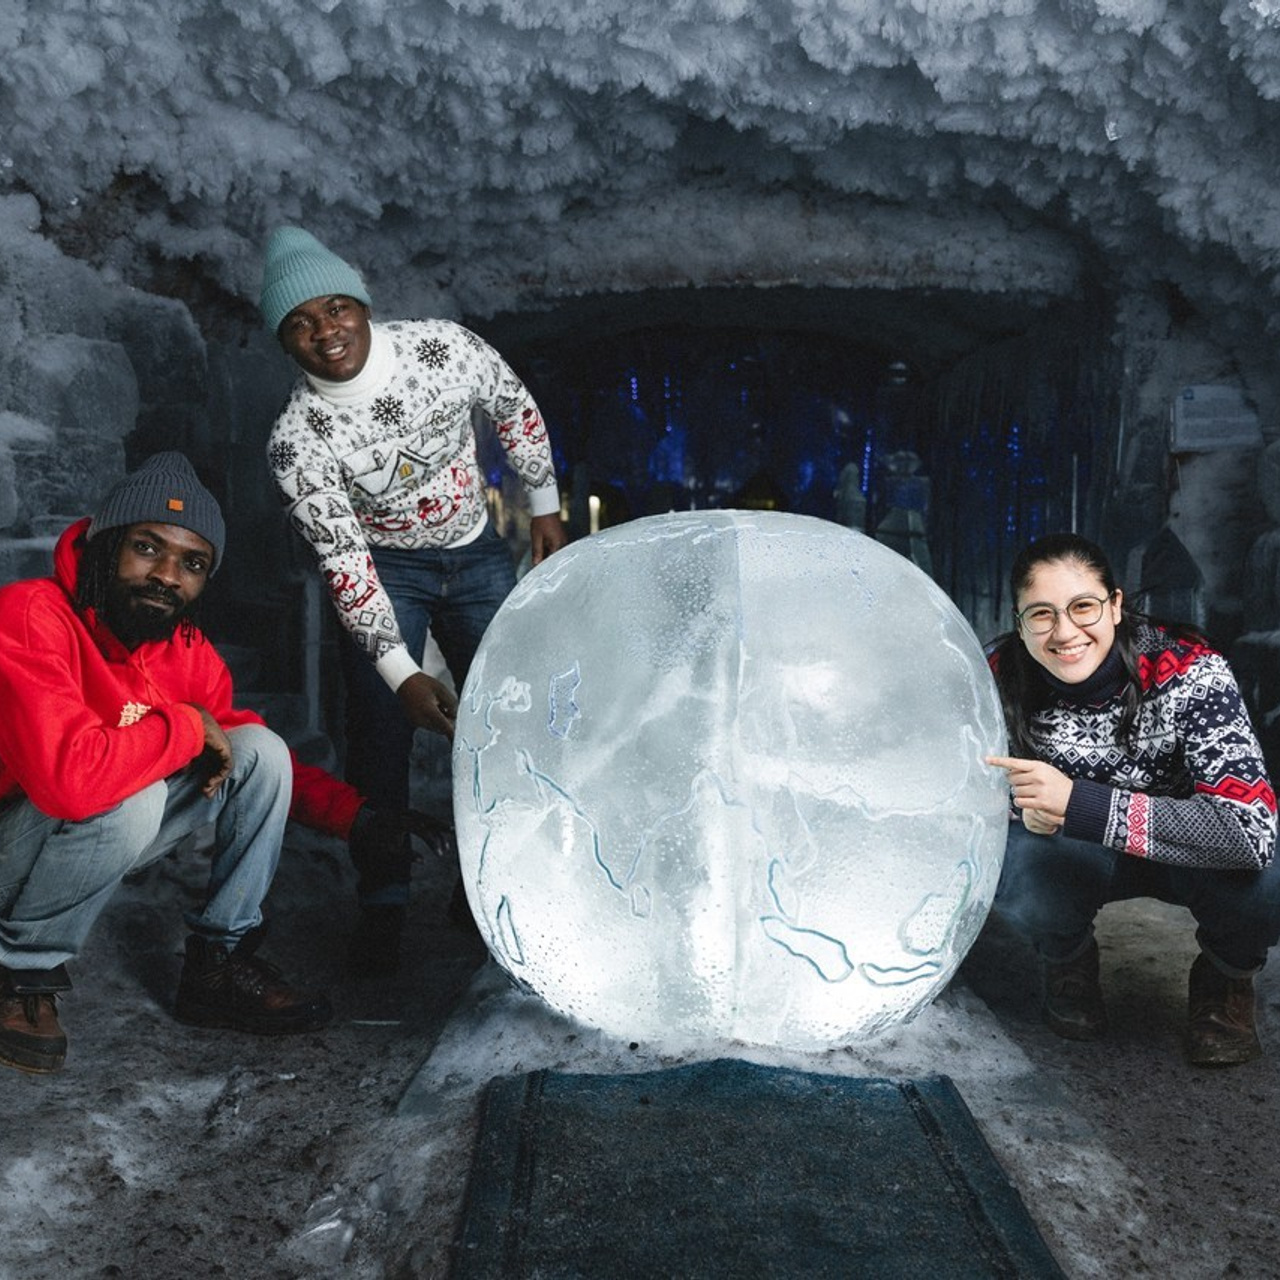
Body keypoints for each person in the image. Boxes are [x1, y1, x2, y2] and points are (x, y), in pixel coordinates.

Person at [0, 452, 439, 1075]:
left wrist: (357, 817)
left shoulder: (186, 651)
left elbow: (245, 751)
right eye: (147, 548)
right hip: (13, 840)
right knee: (133, 796)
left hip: (67, 837)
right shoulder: (29, 614)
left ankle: (217, 963)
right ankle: (19, 972)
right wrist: (184, 725)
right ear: (104, 544)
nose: (167, 576)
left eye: (192, 563)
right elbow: (70, 783)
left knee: (260, 750)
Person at [260, 227, 567, 972]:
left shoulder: (442, 349)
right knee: (378, 732)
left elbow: (513, 404)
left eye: (336, 308)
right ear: (285, 342)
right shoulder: (296, 441)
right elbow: (344, 564)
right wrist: (402, 674)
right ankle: (384, 900)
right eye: (300, 322)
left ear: (363, 306)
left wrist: (545, 507)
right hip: (385, 568)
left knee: (509, 714)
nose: (325, 331)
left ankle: (490, 885)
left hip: (476, 551)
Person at [985, 532, 1280, 1067]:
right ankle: (1068, 958)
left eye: (1083, 607)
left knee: (1267, 878)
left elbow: (1249, 830)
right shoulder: (994, 678)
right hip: (1075, 852)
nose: (1065, 632)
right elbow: (956, 795)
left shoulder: (1190, 670)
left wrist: (1078, 802)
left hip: (1191, 855)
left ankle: (1226, 978)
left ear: (1115, 605)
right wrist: (1017, 808)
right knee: (1015, 859)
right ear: (1019, 622)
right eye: (1042, 614)